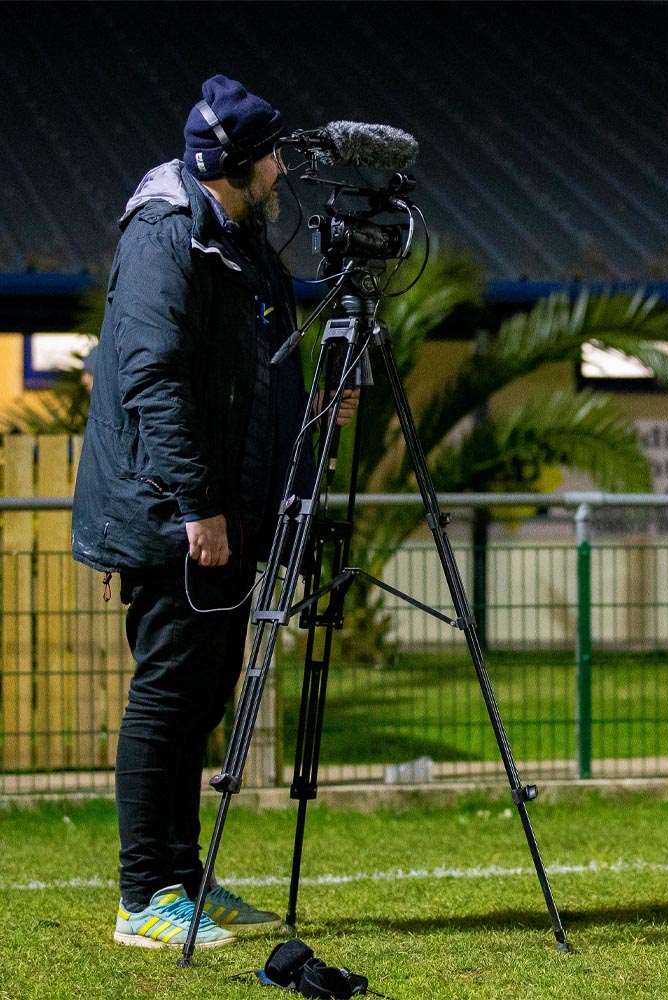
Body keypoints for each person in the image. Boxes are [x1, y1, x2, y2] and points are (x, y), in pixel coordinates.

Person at [72, 75, 357, 948]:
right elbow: (152, 376)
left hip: (223, 509)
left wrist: (316, 404)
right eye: (271, 154)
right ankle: (139, 899)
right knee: (166, 698)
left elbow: (252, 375)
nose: (282, 168)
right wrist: (199, 505)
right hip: (174, 516)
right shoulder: (168, 235)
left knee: (199, 700)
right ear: (236, 164)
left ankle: (181, 880)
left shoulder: (234, 236)